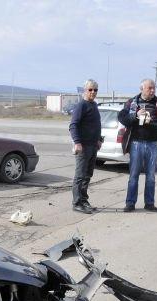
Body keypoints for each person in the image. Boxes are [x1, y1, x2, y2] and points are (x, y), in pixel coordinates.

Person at [118, 79, 157, 212]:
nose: (152, 90)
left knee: (151, 176)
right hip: (136, 143)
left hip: (153, 144)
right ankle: (130, 203)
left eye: (153, 88)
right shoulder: (132, 102)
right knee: (134, 175)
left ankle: (149, 203)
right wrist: (135, 116)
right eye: (150, 88)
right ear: (142, 88)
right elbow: (122, 118)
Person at [68, 79, 103, 214]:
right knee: (80, 176)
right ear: (85, 91)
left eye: (95, 90)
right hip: (83, 147)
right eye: (90, 89)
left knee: (88, 175)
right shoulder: (81, 105)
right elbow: (73, 125)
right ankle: (76, 202)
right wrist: (77, 142)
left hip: (93, 146)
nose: (93, 92)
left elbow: (96, 125)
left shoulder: (93, 105)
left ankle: (83, 200)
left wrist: (99, 139)